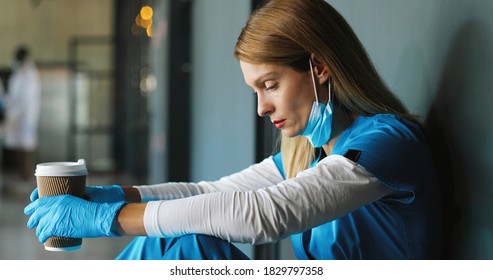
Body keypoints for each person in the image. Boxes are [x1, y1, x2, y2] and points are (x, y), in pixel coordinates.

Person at [24, 0, 441, 260]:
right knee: (180, 244)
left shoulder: (388, 142)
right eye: (256, 90)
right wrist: (119, 195)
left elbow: (264, 215)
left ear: (318, 67)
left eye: (271, 85)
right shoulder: (309, 155)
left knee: (186, 246)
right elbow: (210, 194)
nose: (262, 107)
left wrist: (109, 219)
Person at [2, 46, 41, 180]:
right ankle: (21, 173)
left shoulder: (29, 73)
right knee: (19, 144)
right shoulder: (19, 72)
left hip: (25, 114)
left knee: (26, 144)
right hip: (18, 113)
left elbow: (25, 97)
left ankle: (26, 174)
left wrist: (9, 104)